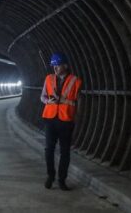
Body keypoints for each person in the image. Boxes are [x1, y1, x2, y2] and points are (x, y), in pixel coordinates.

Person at [41, 52, 82, 191]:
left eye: (57, 66)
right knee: (48, 149)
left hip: (66, 120)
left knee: (65, 151)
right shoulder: (48, 79)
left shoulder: (75, 81)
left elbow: (79, 102)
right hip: (50, 118)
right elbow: (42, 97)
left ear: (65, 65)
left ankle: (62, 179)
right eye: (54, 66)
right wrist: (48, 101)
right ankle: (50, 176)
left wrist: (64, 101)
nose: (55, 69)